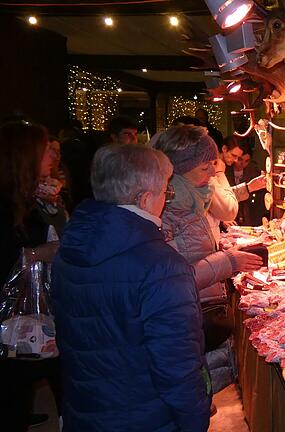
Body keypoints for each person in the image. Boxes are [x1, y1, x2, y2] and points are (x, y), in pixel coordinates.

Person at [52, 144, 211, 432]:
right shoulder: (162, 266)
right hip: (147, 418)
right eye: (166, 192)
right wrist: (195, 421)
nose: (167, 199)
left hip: (85, 411)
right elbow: (177, 368)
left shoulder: (70, 248)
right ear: (146, 199)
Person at [151, 125, 263, 393]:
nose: (214, 172)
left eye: (213, 164)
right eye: (205, 168)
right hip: (185, 318)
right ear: (180, 169)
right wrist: (228, 262)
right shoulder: (165, 208)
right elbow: (171, 279)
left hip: (199, 312)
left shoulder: (191, 198)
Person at [0, 121, 60, 431]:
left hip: (29, 314)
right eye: (44, 150)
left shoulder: (33, 197)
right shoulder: (7, 205)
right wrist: (37, 253)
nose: (51, 155)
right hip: (12, 318)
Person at [224, 140, 266, 226]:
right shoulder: (223, 170)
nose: (242, 163)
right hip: (228, 215)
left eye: (246, 161)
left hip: (249, 219)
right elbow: (223, 196)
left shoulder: (254, 173)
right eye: (239, 159)